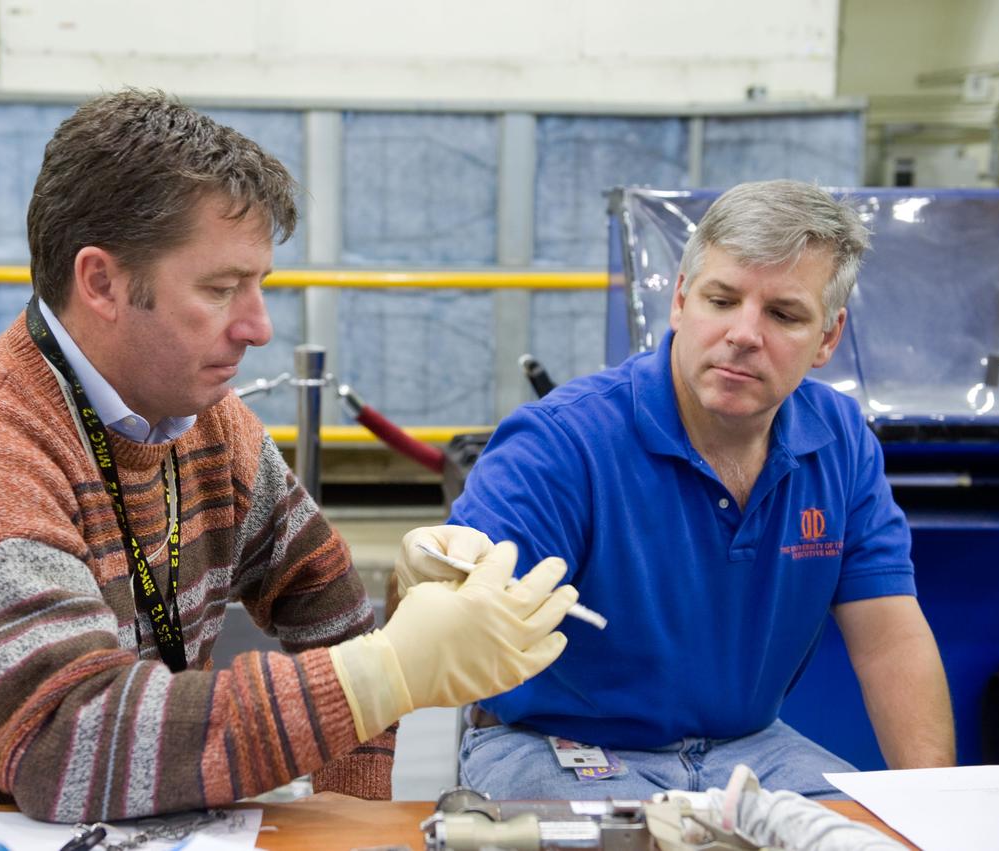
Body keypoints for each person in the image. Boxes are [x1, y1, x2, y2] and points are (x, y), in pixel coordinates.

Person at [0, 89, 578, 820]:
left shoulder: (204, 423)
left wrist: (349, 810)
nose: (259, 326)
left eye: (260, 284)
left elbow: (328, 602)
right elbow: (64, 744)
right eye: (221, 287)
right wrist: (386, 673)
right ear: (101, 281)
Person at [397, 180, 956, 799]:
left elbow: (890, 638)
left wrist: (934, 807)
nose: (745, 333)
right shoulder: (563, 442)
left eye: (783, 314)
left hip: (751, 748)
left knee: (867, 841)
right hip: (562, 746)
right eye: (722, 300)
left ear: (828, 337)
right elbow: (458, 606)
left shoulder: (840, 441)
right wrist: (439, 577)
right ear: (682, 301)